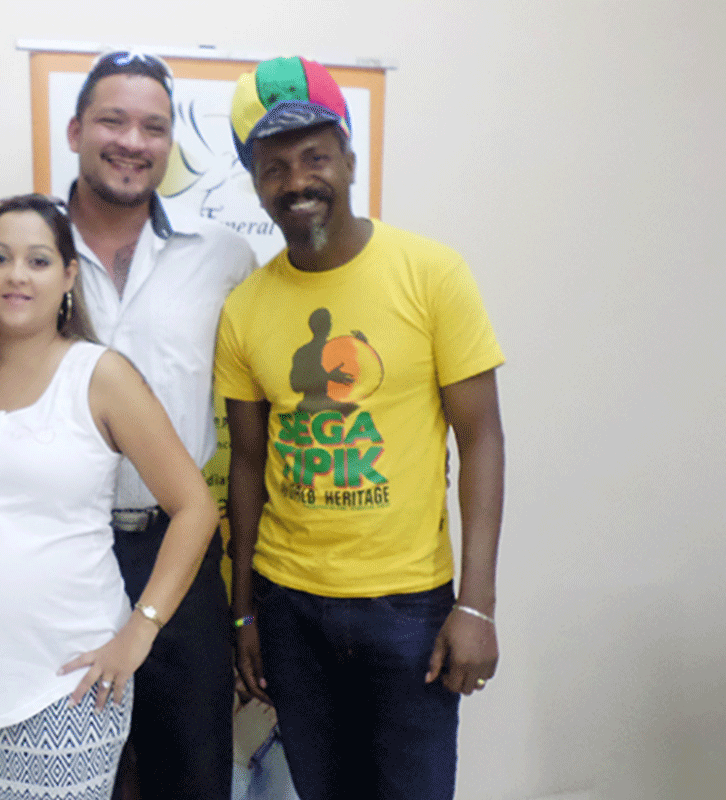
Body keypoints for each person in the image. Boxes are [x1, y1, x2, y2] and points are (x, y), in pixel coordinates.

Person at [217, 57, 506, 800]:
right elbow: (246, 465)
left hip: (408, 605)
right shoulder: (245, 309)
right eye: (274, 166)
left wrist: (476, 604)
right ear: (255, 182)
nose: (297, 180)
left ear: (348, 159)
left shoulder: (432, 274)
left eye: (315, 157)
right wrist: (245, 612)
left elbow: (482, 440)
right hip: (289, 606)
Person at [0, 194, 219, 800]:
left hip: (67, 679)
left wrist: (140, 630)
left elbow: (195, 507)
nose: (17, 276)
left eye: (38, 260)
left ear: (69, 276)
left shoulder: (99, 374)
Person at [64, 49, 259, 799]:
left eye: (153, 127)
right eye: (112, 121)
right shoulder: (25, 252)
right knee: (72, 772)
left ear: (170, 144)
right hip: (60, 550)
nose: (132, 142)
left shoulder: (223, 257)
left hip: (178, 549)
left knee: (193, 774)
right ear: (76, 130)